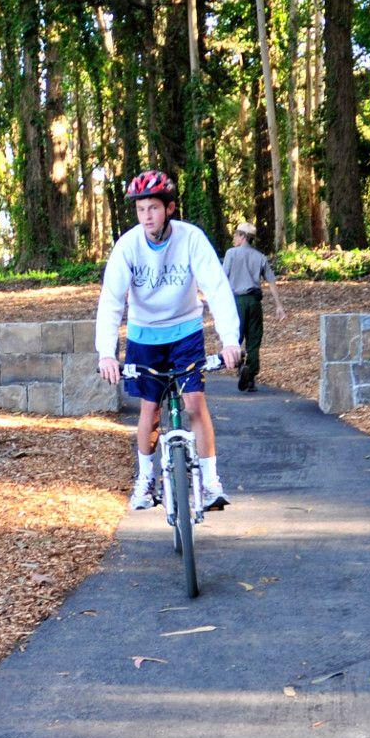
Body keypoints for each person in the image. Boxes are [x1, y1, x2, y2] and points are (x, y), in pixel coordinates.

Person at [96, 171, 244, 512]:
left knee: (194, 403)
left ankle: (209, 483)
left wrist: (230, 341)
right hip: (143, 335)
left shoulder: (191, 239)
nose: (147, 216)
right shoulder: (128, 246)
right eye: (141, 209)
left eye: (153, 208)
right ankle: (146, 481)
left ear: (170, 209)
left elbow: (217, 288)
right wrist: (107, 352)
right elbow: (111, 300)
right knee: (150, 408)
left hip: (185, 332)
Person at [222, 222, 277, 392]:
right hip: (254, 302)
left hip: (236, 302)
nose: (234, 238)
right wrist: (279, 305)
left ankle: (240, 367)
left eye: (236, 235)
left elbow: (222, 280)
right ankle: (251, 377)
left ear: (242, 237)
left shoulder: (231, 254)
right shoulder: (260, 257)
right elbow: (271, 281)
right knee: (253, 341)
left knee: (235, 338)